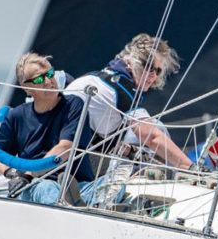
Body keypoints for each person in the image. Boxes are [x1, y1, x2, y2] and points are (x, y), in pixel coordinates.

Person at [64, 33, 195, 171]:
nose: (153, 75)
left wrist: (130, 151)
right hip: (74, 160)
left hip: (62, 150)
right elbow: (151, 137)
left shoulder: (101, 77)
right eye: (149, 66)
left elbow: (97, 134)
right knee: (157, 128)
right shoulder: (123, 90)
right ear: (132, 61)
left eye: (158, 70)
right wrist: (190, 167)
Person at [0, 53, 97, 205]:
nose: (49, 81)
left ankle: (76, 204)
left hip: (79, 185)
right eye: (39, 79)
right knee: (46, 188)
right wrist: (13, 173)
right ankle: (72, 207)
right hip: (37, 184)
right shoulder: (16, 116)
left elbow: (65, 148)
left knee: (110, 183)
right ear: (27, 88)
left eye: (50, 74)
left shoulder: (74, 105)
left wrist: (29, 174)